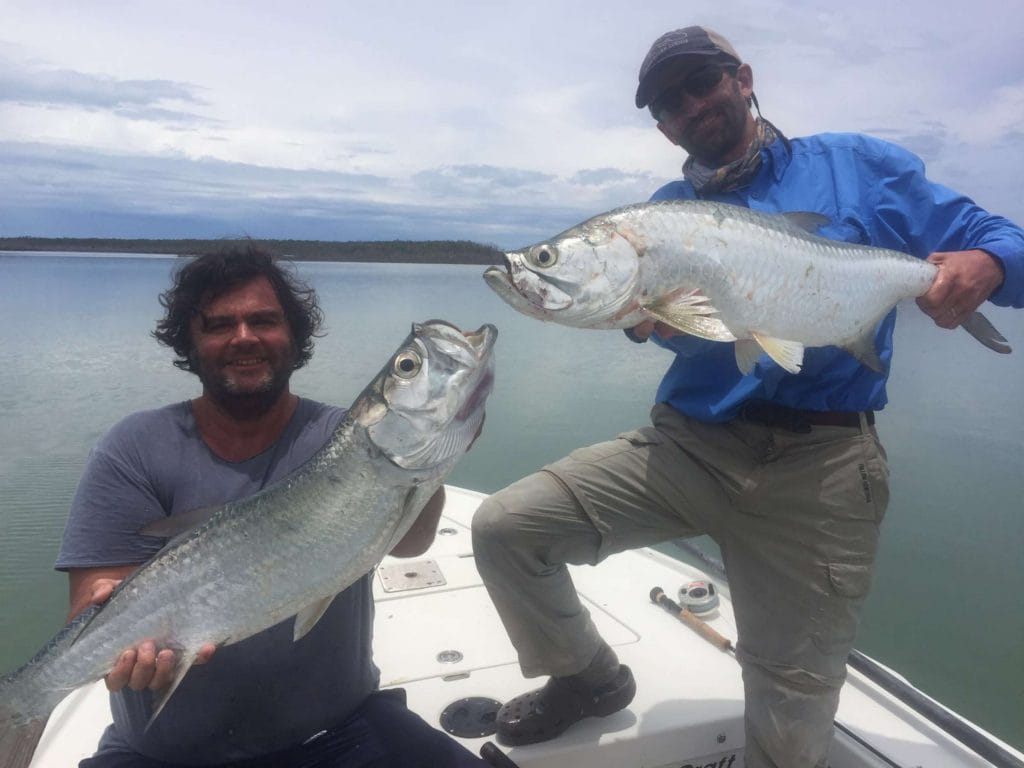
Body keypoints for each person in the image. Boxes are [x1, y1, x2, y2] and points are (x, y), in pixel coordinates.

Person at [471, 25, 1024, 768]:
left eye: (703, 81)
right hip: (688, 448)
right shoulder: (662, 216)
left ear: (744, 77)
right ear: (661, 126)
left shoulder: (856, 167)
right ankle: (588, 680)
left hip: (823, 471)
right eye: (669, 102)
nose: (691, 105)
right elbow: (685, 329)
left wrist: (989, 262)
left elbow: (1001, 237)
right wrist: (645, 324)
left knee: (791, 726)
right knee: (505, 528)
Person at [57, 246, 492, 767]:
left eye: (263, 320)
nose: (244, 337)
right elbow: (92, 598)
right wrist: (125, 646)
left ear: (294, 335)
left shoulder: (341, 437)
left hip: (343, 732)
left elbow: (413, 541)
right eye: (220, 325)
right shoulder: (133, 447)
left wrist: (433, 460)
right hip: (164, 754)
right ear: (190, 344)